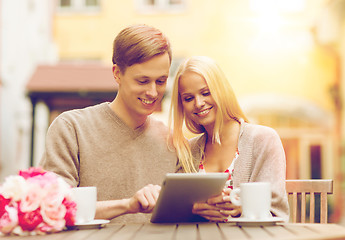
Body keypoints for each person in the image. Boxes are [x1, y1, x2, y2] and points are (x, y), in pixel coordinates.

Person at [39, 24, 177, 223]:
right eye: (142, 81)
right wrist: (128, 205)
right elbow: (54, 207)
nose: (153, 92)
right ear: (117, 74)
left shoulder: (172, 141)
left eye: (161, 81)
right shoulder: (71, 128)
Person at [169, 56, 289, 222]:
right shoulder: (187, 151)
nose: (198, 103)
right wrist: (192, 210)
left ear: (222, 90)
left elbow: (278, 214)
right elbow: (176, 215)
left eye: (206, 93)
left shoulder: (264, 140)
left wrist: (242, 209)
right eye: (188, 98)